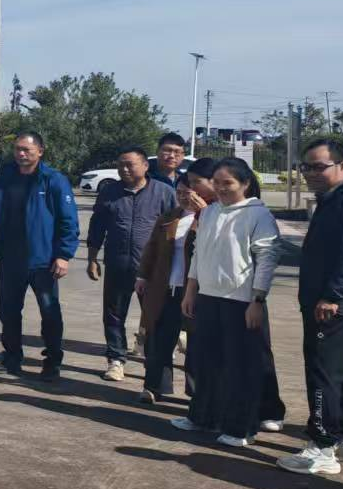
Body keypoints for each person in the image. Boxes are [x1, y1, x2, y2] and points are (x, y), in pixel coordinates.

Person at [278, 140, 343, 473]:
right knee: (338, 371)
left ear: (342, 166)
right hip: (329, 301)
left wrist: (333, 296)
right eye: (306, 167)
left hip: (336, 304)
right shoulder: (335, 197)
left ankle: (322, 447)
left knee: (322, 373)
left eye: (319, 167)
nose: (311, 173)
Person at [174, 158, 280, 447]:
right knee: (206, 362)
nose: (221, 188)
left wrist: (257, 299)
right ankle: (202, 417)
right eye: (217, 182)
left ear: (245, 183)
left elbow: (267, 259)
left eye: (228, 183)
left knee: (239, 366)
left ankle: (241, 428)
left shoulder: (258, 215)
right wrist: (191, 291)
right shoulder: (209, 212)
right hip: (208, 298)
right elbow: (198, 253)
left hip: (240, 301)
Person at [0, 131, 79, 380]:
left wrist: (64, 255)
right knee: (8, 311)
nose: (21, 154)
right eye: (18, 149)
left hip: (43, 261)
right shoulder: (7, 177)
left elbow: (68, 221)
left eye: (26, 149)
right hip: (11, 259)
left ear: (40, 151)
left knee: (49, 312)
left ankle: (52, 362)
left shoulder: (53, 180)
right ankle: (12, 358)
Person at [86, 146, 175, 381]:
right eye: (120, 165)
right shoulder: (109, 192)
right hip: (118, 263)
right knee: (114, 314)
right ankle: (116, 359)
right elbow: (97, 226)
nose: (124, 169)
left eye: (130, 165)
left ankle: (154, 364)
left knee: (155, 316)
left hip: (152, 269)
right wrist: (92, 258)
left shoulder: (164, 193)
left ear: (145, 166)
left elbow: (175, 231)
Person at [134, 157, 216, 404]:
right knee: (159, 338)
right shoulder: (169, 217)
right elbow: (152, 249)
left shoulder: (211, 216)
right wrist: (143, 276)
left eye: (187, 192)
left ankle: (196, 393)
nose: (182, 197)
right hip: (166, 287)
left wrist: (203, 213)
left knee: (197, 344)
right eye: (178, 193)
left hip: (195, 290)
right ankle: (154, 386)